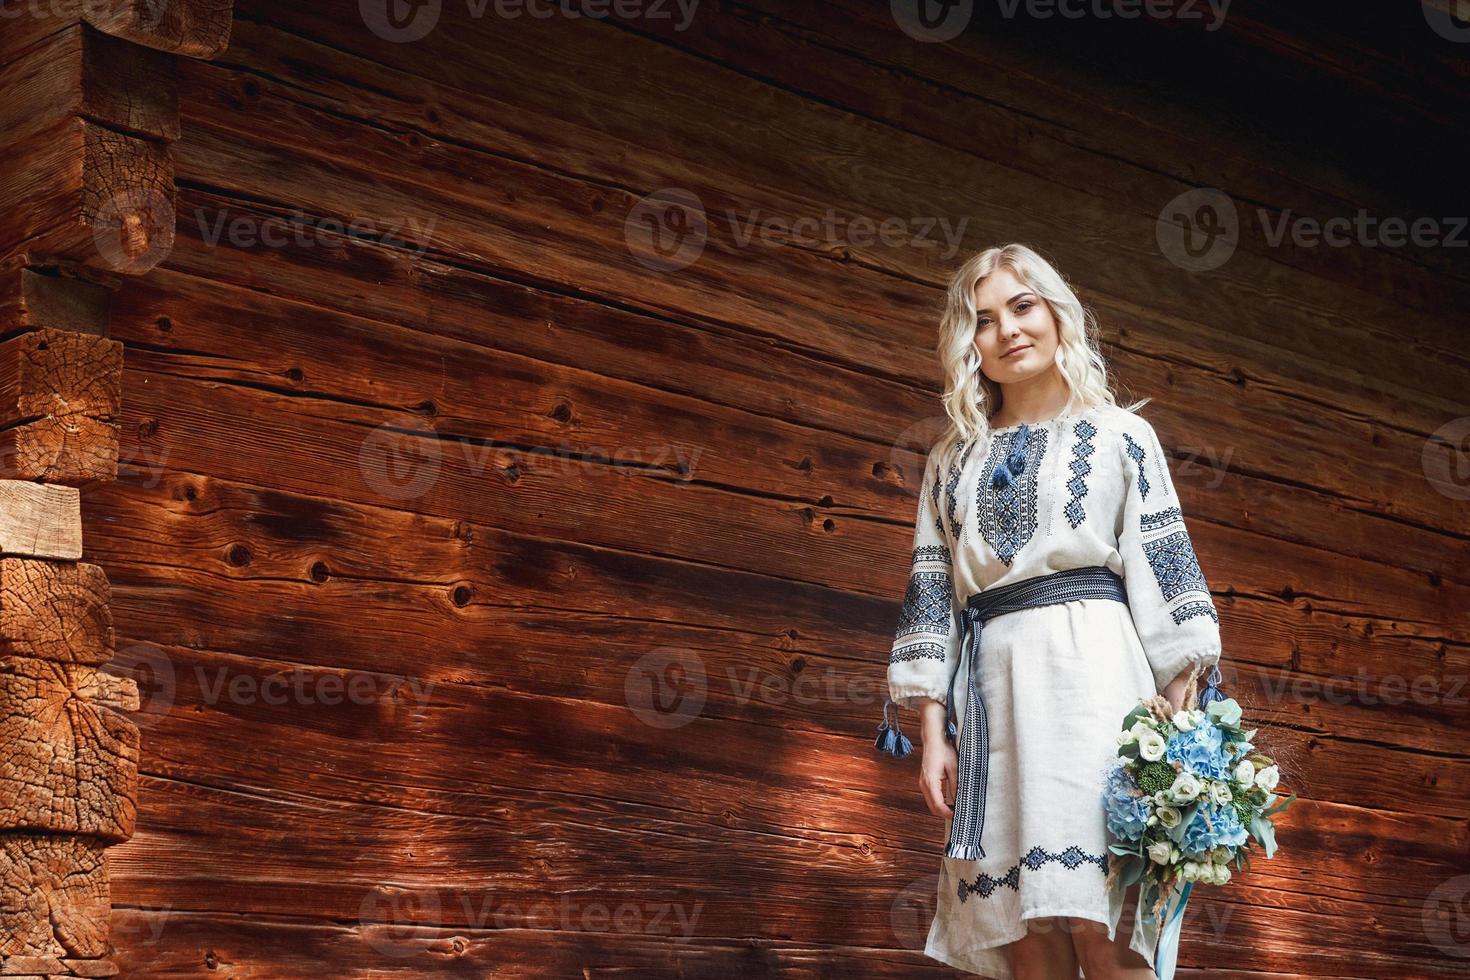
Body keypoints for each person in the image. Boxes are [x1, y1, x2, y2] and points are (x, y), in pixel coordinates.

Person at [881, 244, 1223, 979]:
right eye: (983, 319)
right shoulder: (953, 458)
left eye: (1022, 306)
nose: (1007, 329)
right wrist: (934, 733)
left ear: (1056, 312)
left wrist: (1176, 712)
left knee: (1103, 927)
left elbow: (1164, 563)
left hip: (1096, 686)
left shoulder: (1123, 437)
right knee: (1023, 933)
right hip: (994, 697)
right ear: (966, 343)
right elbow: (933, 587)